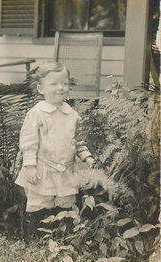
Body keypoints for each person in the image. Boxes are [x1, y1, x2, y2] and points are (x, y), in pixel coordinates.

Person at [15, 61, 95, 241]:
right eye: (54, 84)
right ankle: (33, 237)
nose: (60, 88)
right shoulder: (37, 113)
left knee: (65, 202)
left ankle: (61, 237)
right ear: (41, 89)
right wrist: (30, 166)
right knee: (40, 202)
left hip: (66, 169)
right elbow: (29, 142)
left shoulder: (71, 113)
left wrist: (86, 155)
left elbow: (78, 139)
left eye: (65, 83)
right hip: (43, 167)